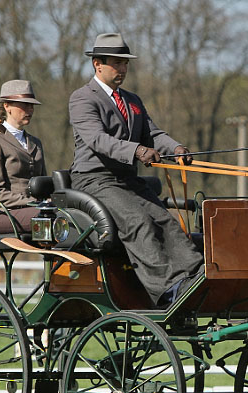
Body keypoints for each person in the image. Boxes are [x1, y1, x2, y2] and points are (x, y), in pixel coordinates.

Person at [69, 32, 204, 307]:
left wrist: (175, 149)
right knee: (137, 221)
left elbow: (152, 134)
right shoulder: (83, 98)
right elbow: (98, 139)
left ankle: (196, 276)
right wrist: (136, 151)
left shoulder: (132, 100)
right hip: (94, 179)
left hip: (127, 180)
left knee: (165, 219)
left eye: (125, 64)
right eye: (117, 63)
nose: (122, 69)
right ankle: (167, 290)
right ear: (98, 64)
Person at [0, 80, 46, 234]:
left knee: (72, 216)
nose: (30, 110)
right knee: (51, 217)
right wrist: (34, 203)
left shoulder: (36, 142)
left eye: (31, 105)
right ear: (6, 106)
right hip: (1, 214)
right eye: (24, 105)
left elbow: (43, 183)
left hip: (35, 211)